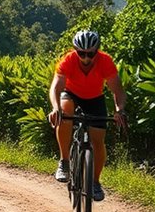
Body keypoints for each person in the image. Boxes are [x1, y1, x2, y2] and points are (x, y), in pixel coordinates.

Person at [47, 29, 127, 201]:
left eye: (90, 54)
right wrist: (55, 108)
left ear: (97, 51)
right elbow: (56, 86)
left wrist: (119, 110)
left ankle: (95, 183)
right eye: (81, 53)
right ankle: (65, 161)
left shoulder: (105, 61)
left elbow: (117, 90)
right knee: (64, 110)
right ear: (76, 51)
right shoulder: (68, 60)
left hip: (94, 98)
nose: (86, 58)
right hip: (71, 94)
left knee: (98, 141)